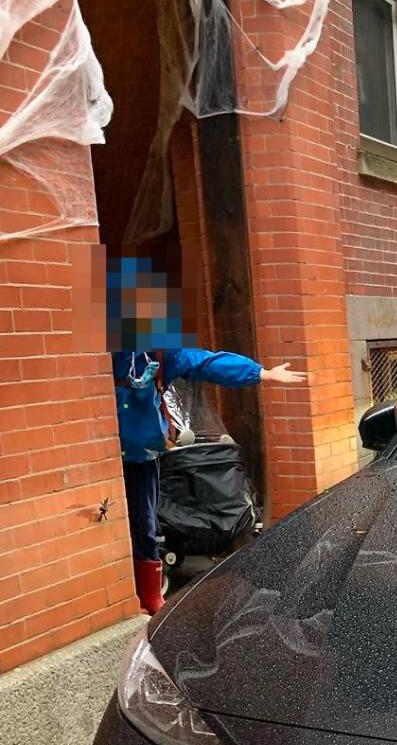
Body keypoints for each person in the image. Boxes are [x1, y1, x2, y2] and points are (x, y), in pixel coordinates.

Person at [110, 257, 307, 616]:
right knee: (116, 520)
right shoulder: (105, 351)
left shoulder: (161, 353)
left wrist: (260, 373)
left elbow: (206, 362)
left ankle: (150, 593)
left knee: (145, 518)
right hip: (103, 455)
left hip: (141, 450)